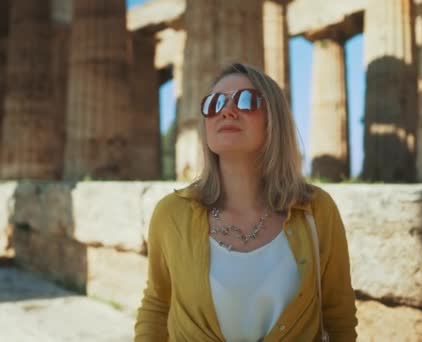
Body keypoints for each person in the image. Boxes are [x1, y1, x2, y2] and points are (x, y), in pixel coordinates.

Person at [135, 63, 357, 341]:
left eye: (246, 100)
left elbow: (339, 318)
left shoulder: (317, 210)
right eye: (214, 103)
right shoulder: (171, 214)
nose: (226, 110)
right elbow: (157, 306)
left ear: (273, 120)